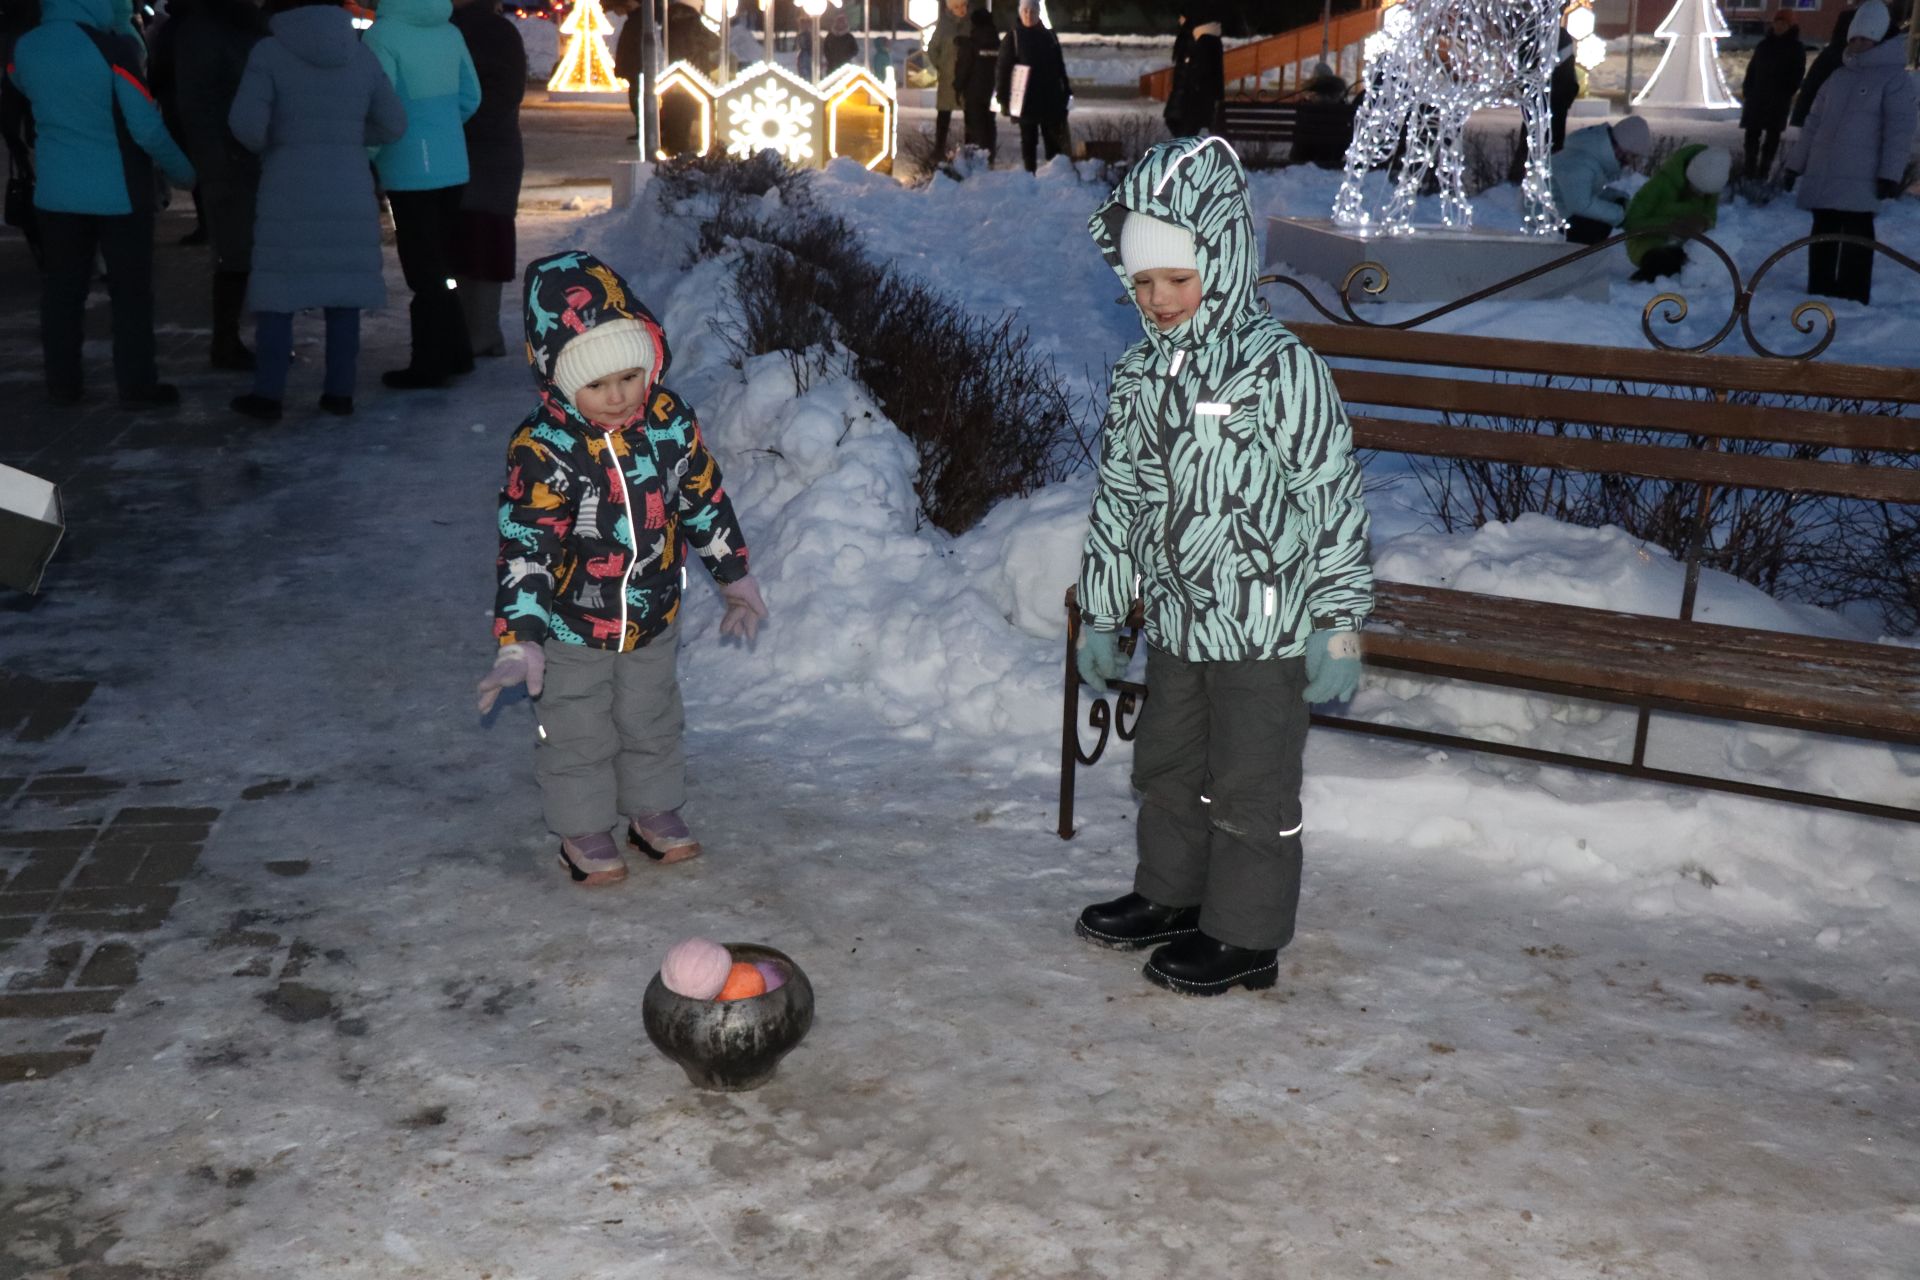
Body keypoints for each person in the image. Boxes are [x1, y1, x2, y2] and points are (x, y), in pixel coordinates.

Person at [1073, 138, 1373, 997]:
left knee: (1251, 785)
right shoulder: (1139, 375)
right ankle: (1171, 895)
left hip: (1265, 626)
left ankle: (1245, 935)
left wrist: (1339, 620)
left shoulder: (1282, 370)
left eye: (1178, 278)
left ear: (1225, 258)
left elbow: (1330, 499)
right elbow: (1122, 501)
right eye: (1142, 282)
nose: (1159, 299)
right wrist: (1103, 611)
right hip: (1175, 619)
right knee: (1164, 767)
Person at [476, 251, 769, 887]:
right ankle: (581, 828)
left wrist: (734, 577)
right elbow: (526, 543)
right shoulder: (543, 449)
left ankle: (652, 811)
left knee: (652, 716)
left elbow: (703, 499)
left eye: (631, 377)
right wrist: (519, 638)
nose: (617, 397)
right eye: (597, 384)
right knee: (579, 727)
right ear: (559, 380)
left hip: (653, 612)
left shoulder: (667, 423)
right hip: (571, 625)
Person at [226, 0, 406, 420]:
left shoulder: (269, 52)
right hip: (349, 182)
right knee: (343, 293)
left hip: (287, 185)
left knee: (278, 293)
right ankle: (339, 393)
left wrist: (283, 137)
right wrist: (345, 136)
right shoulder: (360, 53)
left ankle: (268, 395)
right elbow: (394, 123)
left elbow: (247, 127)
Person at [11, 0, 195, 407]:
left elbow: (21, 86)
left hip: (57, 193)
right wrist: (185, 174)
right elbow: (145, 128)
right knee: (130, 294)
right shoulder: (113, 49)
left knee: (62, 292)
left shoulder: (26, 47)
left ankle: (63, 383)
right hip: (119, 194)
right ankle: (137, 385)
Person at [364, 0, 480, 390]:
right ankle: (457, 351)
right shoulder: (450, 31)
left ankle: (429, 362)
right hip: (453, 161)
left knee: (422, 267)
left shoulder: (382, 36)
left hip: (407, 165)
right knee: (443, 264)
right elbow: (471, 96)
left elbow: (380, 106)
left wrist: (368, 154)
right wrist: (442, 127)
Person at [1783, 0, 1917, 305]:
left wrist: (1889, 173)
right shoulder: (1837, 77)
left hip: (1862, 177)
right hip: (1825, 174)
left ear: (1881, 38)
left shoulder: (1895, 81)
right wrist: (1795, 166)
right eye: (1854, 38)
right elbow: (1813, 125)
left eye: (1866, 38)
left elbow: (1899, 131)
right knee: (1823, 232)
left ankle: (1853, 293)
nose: (1859, 44)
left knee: (1856, 235)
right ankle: (1820, 286)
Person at [165, 0, 266, 372]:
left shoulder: (214, 24)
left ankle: (239, 337)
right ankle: (227, 341)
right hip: (230, 156)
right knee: (237, 252)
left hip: (236, 154)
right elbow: (204, 100)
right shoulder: (211, 28)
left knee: (244, 251)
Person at [451, 0, 524, 359]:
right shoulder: (503, 32)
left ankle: (474, 331)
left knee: (465, 240)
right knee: (487, 240)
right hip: (497, 150)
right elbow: (509, 92)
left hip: (468, 148)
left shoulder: (454, 31)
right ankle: (482, 330)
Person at [1622, 144, 1729, 281]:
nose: (1700, 196)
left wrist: (1703, 223)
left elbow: (1711, 218)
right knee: (1663, 263)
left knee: (1706, 266)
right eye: (1696, 189)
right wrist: (1669, 226)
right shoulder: (1660, 184)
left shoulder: (1711, 188)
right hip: (1647, 242)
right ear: (1689, 176)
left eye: (1705, 194)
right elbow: (1631, 223)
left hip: (1685, 245)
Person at [1549, 114, 1651, 245]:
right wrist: (1621, 215)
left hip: (1559, 207)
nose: (1630, 162)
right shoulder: (1581, 163)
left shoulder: (1591, 156)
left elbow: (1584, 190)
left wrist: (1617, 198)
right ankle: (1576, 255)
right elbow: (1580, 204)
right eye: (1632, 156)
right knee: (1597, 226)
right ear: (1622, 148)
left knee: (1609, 210)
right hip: (1544, 215)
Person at [996, 0, 1068, 173]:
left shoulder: (1049, 36)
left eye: (1032, 11)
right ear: (1020, 13)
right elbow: (1003, 70)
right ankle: (1030, 175)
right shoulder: (1013, 37)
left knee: (1052, 139)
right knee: (1029, 140)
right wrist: (1003, 98)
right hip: (1024, 99)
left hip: (1049, 98)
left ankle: (1054, 174)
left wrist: (1066, 90)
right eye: (1025, 11)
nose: (1029, 15)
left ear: (1038, 13)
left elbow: (1059, 66)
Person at [1742, 10, 1806, 178]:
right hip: (1756, 97)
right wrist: (1748, 90)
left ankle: (1764, 171)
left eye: (1783, 23)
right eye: (1777, 23)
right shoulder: (1764, 45)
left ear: (1790, 26)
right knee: (1751, 136)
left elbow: (1797, 74)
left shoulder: (1795, 48)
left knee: (1772, 138)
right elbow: (1752, 69)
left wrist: (1785, 93)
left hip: (1777, 100)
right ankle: (1749, 170)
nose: (1778, 26)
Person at [1790, 1, 1856, 128]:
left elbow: (1808, 90)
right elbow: (1810, 89)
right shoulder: (1834, 58)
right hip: (1829, 126)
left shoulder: (1829, 56)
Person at [1162, 3, 1223, 139]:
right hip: (1192, 94)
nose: (1179, 20)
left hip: (1190, 94)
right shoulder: (1205, 38)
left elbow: (1192, 68)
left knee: (1184, 128)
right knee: (1183, 128)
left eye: (1182, 17)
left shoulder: (1195, 38)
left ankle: (1187, 154)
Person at [954, 4, 998, 155]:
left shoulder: (971, 43)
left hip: (974, 92)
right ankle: (989, 155)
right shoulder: (997, 43)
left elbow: (964, 68)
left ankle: (975, 158)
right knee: (989, 124)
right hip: (992, 92)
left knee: (974, 126)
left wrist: (957, 87)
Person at [926, 0, 966, 157]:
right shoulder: (944, 25)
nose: (961, 9)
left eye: (963, 5)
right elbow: (933, 49)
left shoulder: (971, 23)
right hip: (948, 78)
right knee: (943, 115)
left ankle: (969, 150)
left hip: (967, 78)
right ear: (950, 8)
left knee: (970, 115)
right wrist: (941, 66)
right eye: (957, 6)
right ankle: (939, 150)